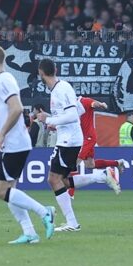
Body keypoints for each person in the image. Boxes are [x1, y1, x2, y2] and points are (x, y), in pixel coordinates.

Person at [0, 46, 55, 245]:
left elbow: (16, 109)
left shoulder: (4, 80)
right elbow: (5, 112)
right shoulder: (2, 81)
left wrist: (1, 134)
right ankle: (30, 232)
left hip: (14, 144)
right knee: (10, 191)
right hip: (15, 144)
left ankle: (44, 211)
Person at [33, 59, 97, 231]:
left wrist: (49, 120)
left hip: (68, 140)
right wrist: (54, 120)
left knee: (54, 179)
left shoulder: (61, 89)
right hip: (69, 138)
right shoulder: (61, 88)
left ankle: (72, 223)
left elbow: (73, 116)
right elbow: (79, 110)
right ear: (55, 69)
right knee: (61, 180)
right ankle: (101, 176)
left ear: (41, 73)